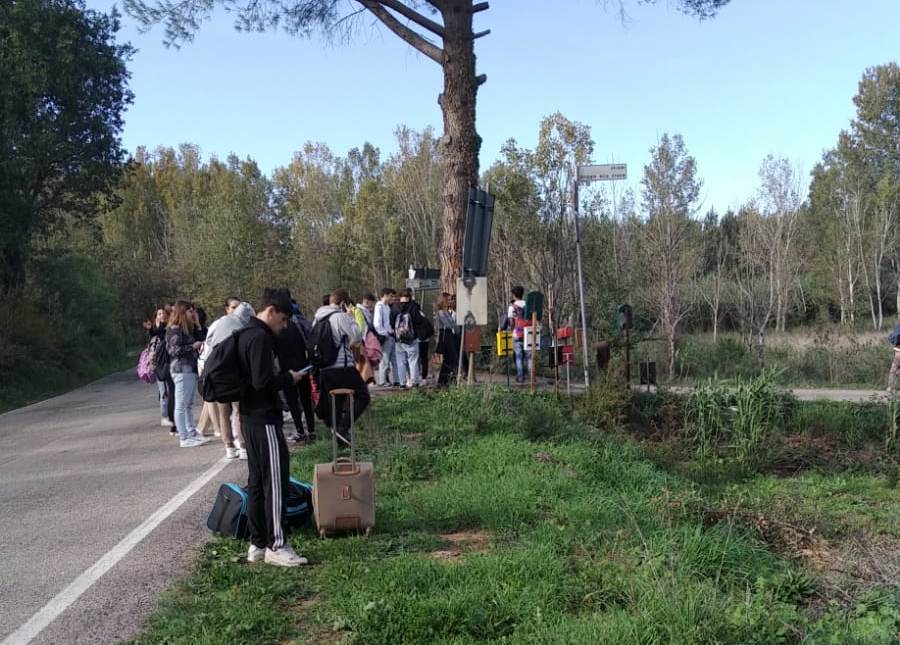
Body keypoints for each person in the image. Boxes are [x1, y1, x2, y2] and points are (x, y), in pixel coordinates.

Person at [237, 288, 309, 567]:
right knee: (276, 480)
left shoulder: (244, 333)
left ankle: (257, 543)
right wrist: (289, 378)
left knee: (257, 482)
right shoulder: (260, 338)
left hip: (248, 417)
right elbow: (262, 382)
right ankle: (276, 544)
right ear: (271, 311)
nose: (284, 326)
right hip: (264, 417)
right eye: (283, 319)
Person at [313, 289, 369, 444]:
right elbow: (357, 337)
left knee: (336, 404)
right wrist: (350, 317)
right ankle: (343, 429)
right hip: (343, 367)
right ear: (343, 303)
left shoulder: (317, 318)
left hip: (325, 370)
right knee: (363, 397)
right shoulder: (341, 317)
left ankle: (339, 440)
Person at [200, 297, 251, 459]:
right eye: (233, 307)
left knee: (226, 411)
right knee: (236, 411)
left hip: (217, 371)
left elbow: (208, 341)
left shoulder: (218, 324)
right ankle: (240, 445)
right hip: (232, 372)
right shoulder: (242, 325)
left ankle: (230, 446)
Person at [166, 301, 211, 448]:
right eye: (190, 311)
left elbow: (203, 337)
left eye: (193, 311)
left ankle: (192, 433)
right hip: (181, 369)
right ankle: (184, 437)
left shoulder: (188, 328)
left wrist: (198, 324)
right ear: (182, 312)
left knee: (189, 404)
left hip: (190, 368)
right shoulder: (174, 329)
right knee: (181, 405)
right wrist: (192, 347)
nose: (193, 313)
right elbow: (173, 350)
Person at [275, 290, 315, 443]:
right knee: (306, 399)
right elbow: (307, 343)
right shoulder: (298, 323)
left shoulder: (278, 328)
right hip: (303, 366)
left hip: (287, 370)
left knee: (293, 402)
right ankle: (311, 430)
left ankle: (300, 431)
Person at [146, 308, 174, 429]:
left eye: (163, 313)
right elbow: (157, 334)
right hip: (159, 365)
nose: (162, 315)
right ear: (156, 317)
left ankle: (171, 415)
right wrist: (152, 328)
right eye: (159, 314)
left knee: (171, 390)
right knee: (163, 391)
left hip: (170, 363)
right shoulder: (155, 331)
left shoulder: (169, 328)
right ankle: (164, 417)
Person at [393, 289, 422, 388]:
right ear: (410, 297)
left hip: (399, 339)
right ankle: (414, 382)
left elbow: (391, 321)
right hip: (411, 338)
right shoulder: (413, 306)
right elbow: (419, 321)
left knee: (400, 361)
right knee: (413, 361)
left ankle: (402, 383)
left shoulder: (395, 307)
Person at [374, 288, 399, 387]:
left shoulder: (387, 307)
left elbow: (387, 323)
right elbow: (377, 323)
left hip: (390, 335)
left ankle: (397, 380)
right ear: (385, 295)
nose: (392, 298)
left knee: (394, 359)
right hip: (385, 336)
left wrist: (391, 331)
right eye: (390, 296)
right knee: (385, 359)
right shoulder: (379, 306)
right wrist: (385, 333)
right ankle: (382, 380)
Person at [436, 293, 461, 386]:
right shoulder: (441, 312)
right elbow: (449, 324)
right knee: (453, 359)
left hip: (450, 336)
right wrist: (456, 327)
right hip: (445, 337)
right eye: (448, 300)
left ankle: (443, 381)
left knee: (448, 360)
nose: (450, 302)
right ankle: (450, 380)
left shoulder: (446, 312)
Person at [508, 286, 529, 384]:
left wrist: (513, 331)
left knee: (518, 357)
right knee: (529, 357)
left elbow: (511, 322)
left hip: (517, 334)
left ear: (514, 294)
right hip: (528, 334)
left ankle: (520, 378)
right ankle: (531, 376)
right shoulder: (527, 305)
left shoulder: (512, 307)